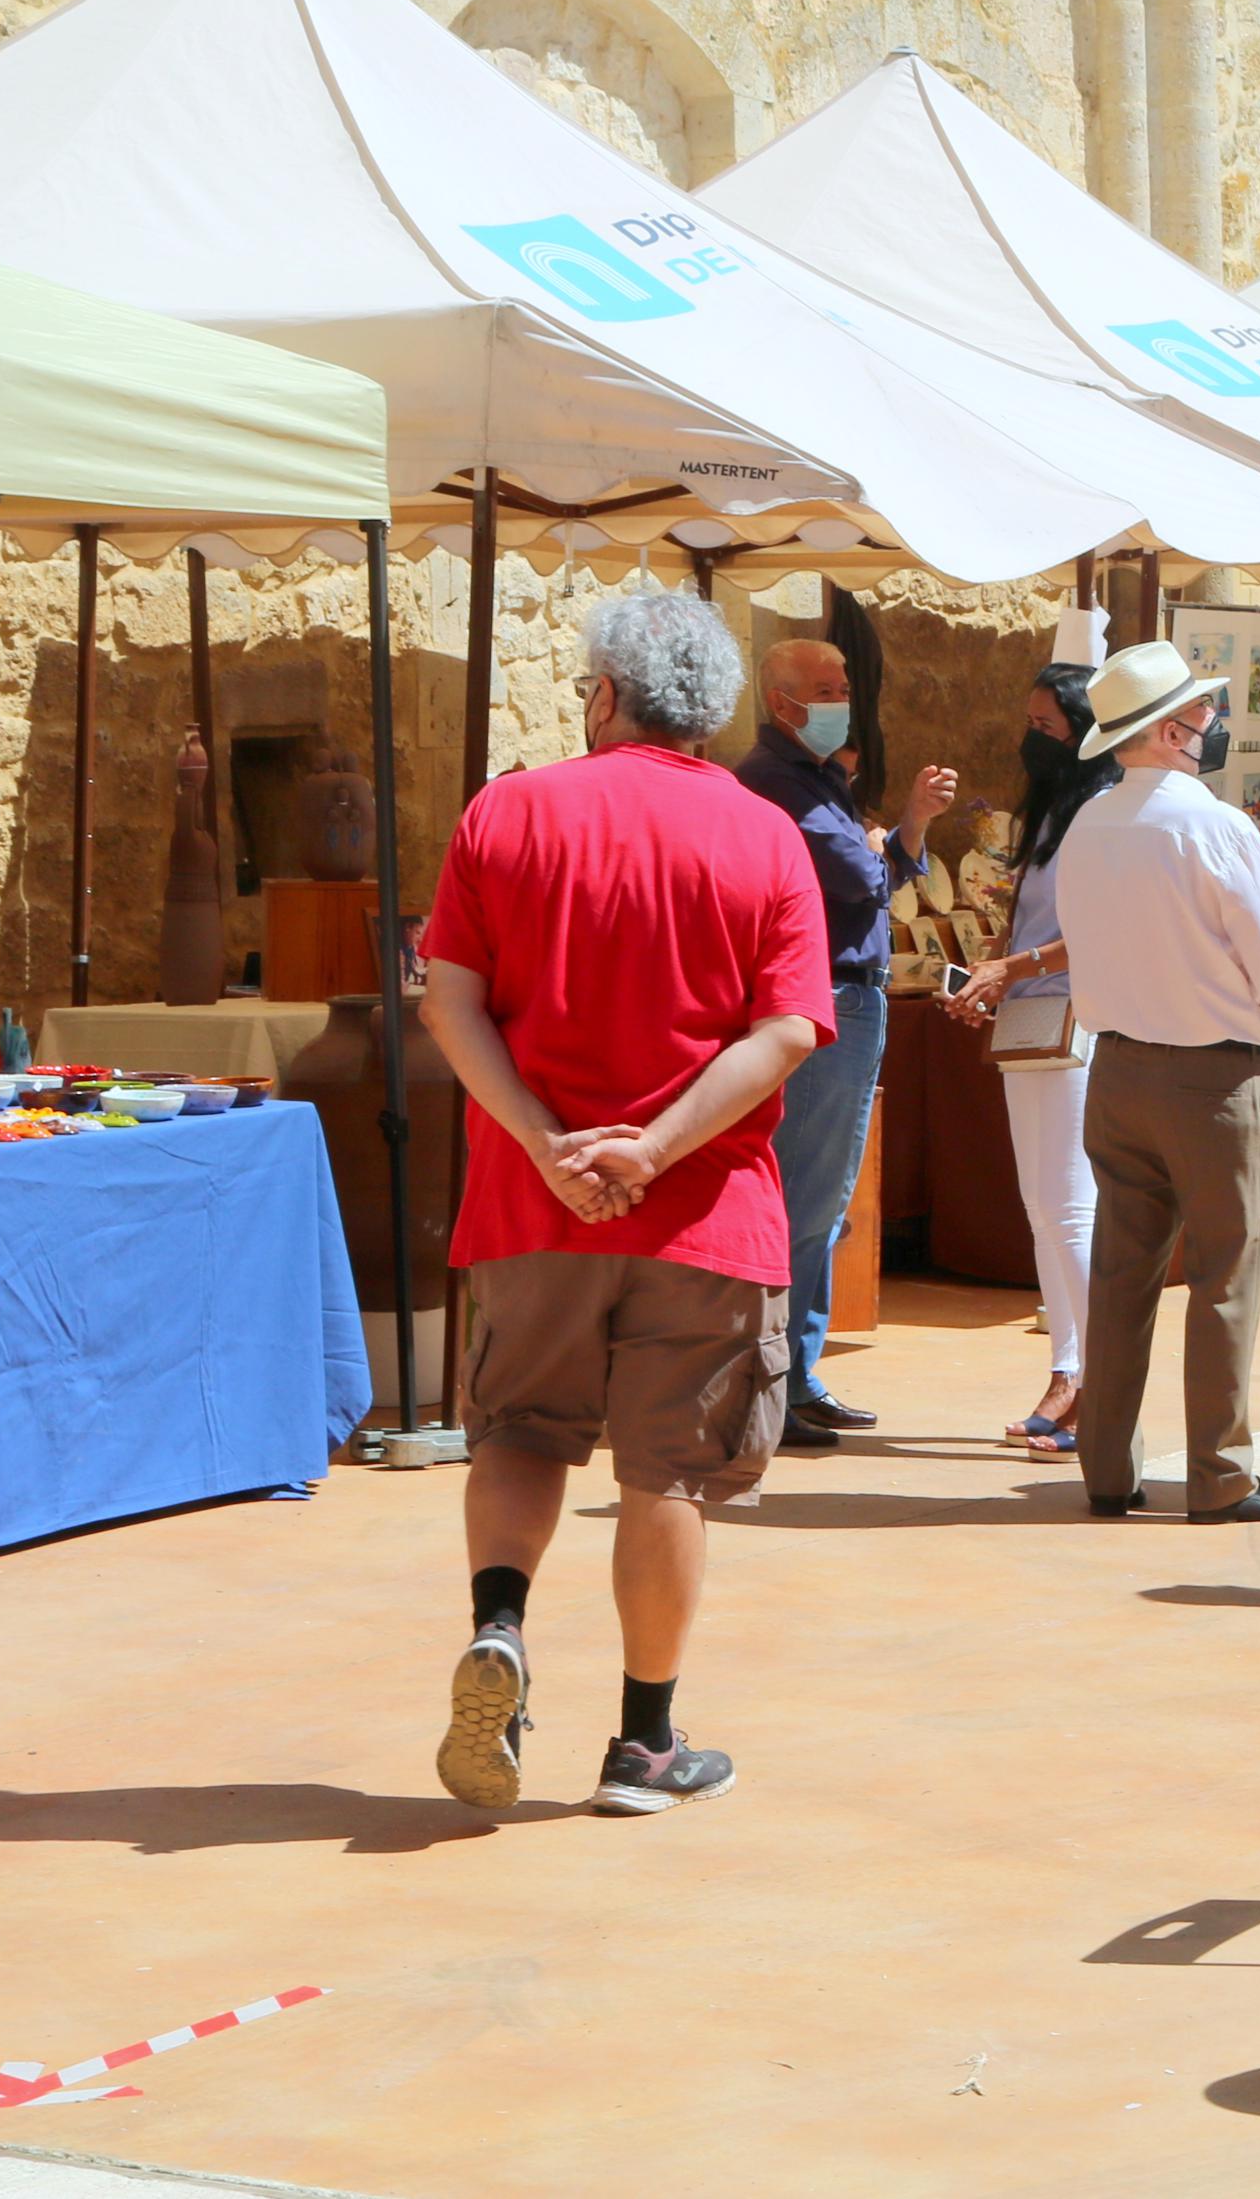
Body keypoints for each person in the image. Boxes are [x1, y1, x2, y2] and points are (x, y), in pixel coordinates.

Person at [417, 591, 830, 1816]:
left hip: (532, 1202)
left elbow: (450, 1000)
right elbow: (788, 1031)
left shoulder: (508, 812)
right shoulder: (764, 837)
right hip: (698, 1209)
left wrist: (549, 1146)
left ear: (604, 694)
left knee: (518, 1429)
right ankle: (643, 1744)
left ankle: (501, 1625)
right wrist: (648, 1147)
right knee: (667, 1474)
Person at [1050, 639, 1260, 1526]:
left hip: (1115, 1066)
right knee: (1226, 1276)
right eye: (1199, 715)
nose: (1209, 727)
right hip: (1208, 1074)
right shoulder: (1213, 824)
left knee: (1122, 1275)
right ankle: (1220, 1473)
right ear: (1168, 730)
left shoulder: (1089, 823)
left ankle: (1107, 1468)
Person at [736, 635, 957, 1448]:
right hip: (826, 997)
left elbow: (877, 872)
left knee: (822, 1200)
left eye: (841, 685)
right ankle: (779, 1378)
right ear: (781, 702)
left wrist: (892, 837)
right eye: (822, 688)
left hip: (843, 997)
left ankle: (799, 1369)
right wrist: (896, 833)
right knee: (807, 1196)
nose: (838, 699)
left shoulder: (817, 779)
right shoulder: (778, 783)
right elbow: (865, 881)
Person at [945, 662, 1119, 1459]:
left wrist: (1008, 970)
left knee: (1071, 1205)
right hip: (1034, 1015)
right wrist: (999, 967)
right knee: (1043, 1206)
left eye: (1045, 727)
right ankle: (1068, 1366)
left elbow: (1103, 930)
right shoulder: (1053, 813)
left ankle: (1100, 1384)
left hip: (1080, 1021)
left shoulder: (1104, 814)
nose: (1030, 740)